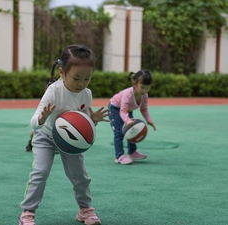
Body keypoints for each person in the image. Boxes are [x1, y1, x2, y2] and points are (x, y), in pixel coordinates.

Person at [19, 44, 109, 225]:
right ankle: (27, 213)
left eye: (87, 78)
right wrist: (42, 118)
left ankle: (85, 210)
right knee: (41, 171)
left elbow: (81, 123)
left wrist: (92, 120)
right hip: (46, 136)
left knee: (80, 175)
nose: (81, 83)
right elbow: (34, 122)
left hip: (70, 141)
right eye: (76, 78)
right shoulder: (53, 91)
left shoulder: (86, 94)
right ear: (62, 72)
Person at [108, 70, 156, 165]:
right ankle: (119, 156)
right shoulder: (128, 94)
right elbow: (122, 111)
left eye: (148, 87)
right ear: (134, 84)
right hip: (115, 108)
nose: (145, 90)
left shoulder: (144, 95)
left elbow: (144, 109)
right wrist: (127, 120)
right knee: (119, 132)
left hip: (128, 110)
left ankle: (132, 152)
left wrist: (149, 120)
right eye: (142, 87)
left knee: (133, 129)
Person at [25, 78, 57, 152]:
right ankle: (32, 142)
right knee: (34, 130)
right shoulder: (45, 101)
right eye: (48, 89)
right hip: (45, 127)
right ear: (45, 90)